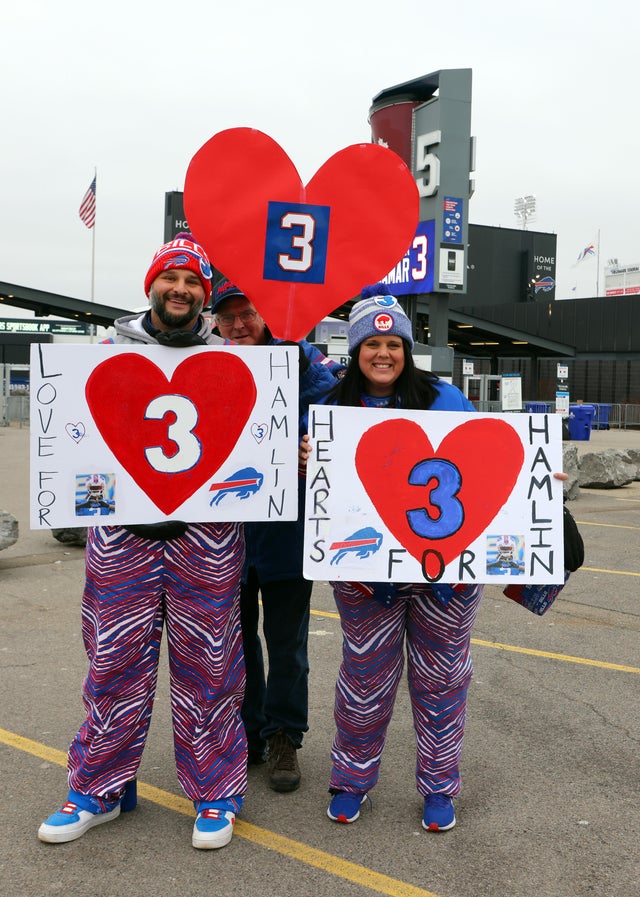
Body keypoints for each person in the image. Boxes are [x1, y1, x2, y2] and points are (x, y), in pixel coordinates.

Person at [299, 289, 568, 833]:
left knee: (443, 682)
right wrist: (307, 468)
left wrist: (538, 482)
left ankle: (440, 787)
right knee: (363, 681)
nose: (382, 353)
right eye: (370, 343)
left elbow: (485, 465)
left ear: (406, 347)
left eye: (392, 342)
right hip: (365, 577)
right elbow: (324, 499)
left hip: (447, 576)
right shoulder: (329, 411)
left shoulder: (447, 399)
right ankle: (351, 781)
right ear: (354, 349)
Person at [38, 235, 247, 850]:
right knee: (112, 663)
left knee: (209, 668)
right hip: (122, 537)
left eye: (192, 282)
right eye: (170, 278)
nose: (180, 289)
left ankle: (216, 791)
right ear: (151, 284)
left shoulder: (234, 358)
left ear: (204, 295)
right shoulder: (102, 353)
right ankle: (100, 787)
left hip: (205, 538)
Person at [212, 278, 344, 792]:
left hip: (287, 533)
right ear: (216, 324)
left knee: (286, 643)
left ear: (266, 315)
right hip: (224, 536)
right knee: (235, 643)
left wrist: (309, 446)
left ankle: (286, 734)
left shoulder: (303, 362)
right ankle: (248, 731)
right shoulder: (208, 364)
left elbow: (332, 411)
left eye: (248, 314)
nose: (239, 324)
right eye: (229, 317)